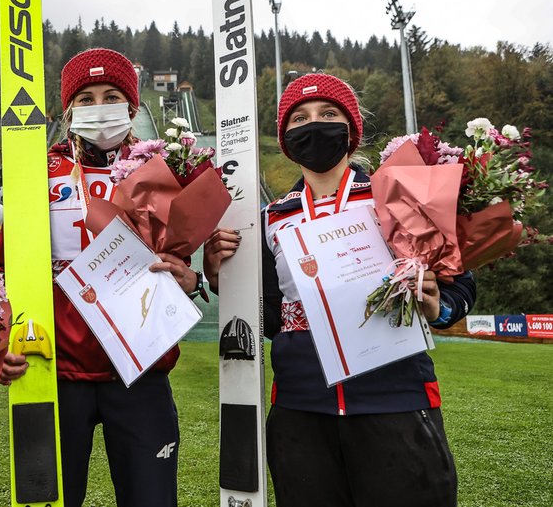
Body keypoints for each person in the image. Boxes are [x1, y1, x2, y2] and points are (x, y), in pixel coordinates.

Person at [204, 73, 476, 507]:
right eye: (299, 119)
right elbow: (270, 318)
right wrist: (224, 281)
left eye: (328, 114)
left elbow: (459, 283)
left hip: (396, 399)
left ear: (352, 129)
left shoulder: (395, 196)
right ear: (285, 138)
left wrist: (438, 305)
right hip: (300, 410)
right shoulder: (268, 219)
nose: (314, 125)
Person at [0, 48, 205, 507]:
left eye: (111, 96)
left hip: (140, 370)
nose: (98, 107)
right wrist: (1, 341)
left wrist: (190, 280)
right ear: (67, 110)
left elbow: (184, 262)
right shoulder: (36, 171)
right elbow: (2, 270)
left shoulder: (162, 171)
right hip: (53, 372)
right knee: (47, 499)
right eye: (85, 98)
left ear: (132, 107)